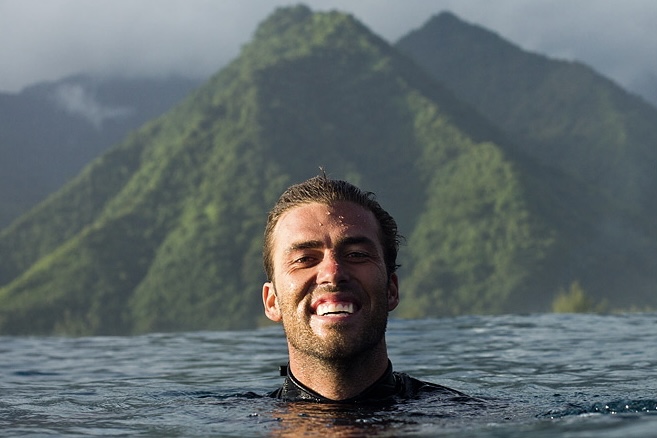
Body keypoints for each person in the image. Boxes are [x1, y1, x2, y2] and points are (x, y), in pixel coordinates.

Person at [262, 173, 476, 403]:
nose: (333, 274)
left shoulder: (467, 417)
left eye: (356, 255)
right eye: (304, 259)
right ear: (272, 302)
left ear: (391, 290)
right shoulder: (228, 421)